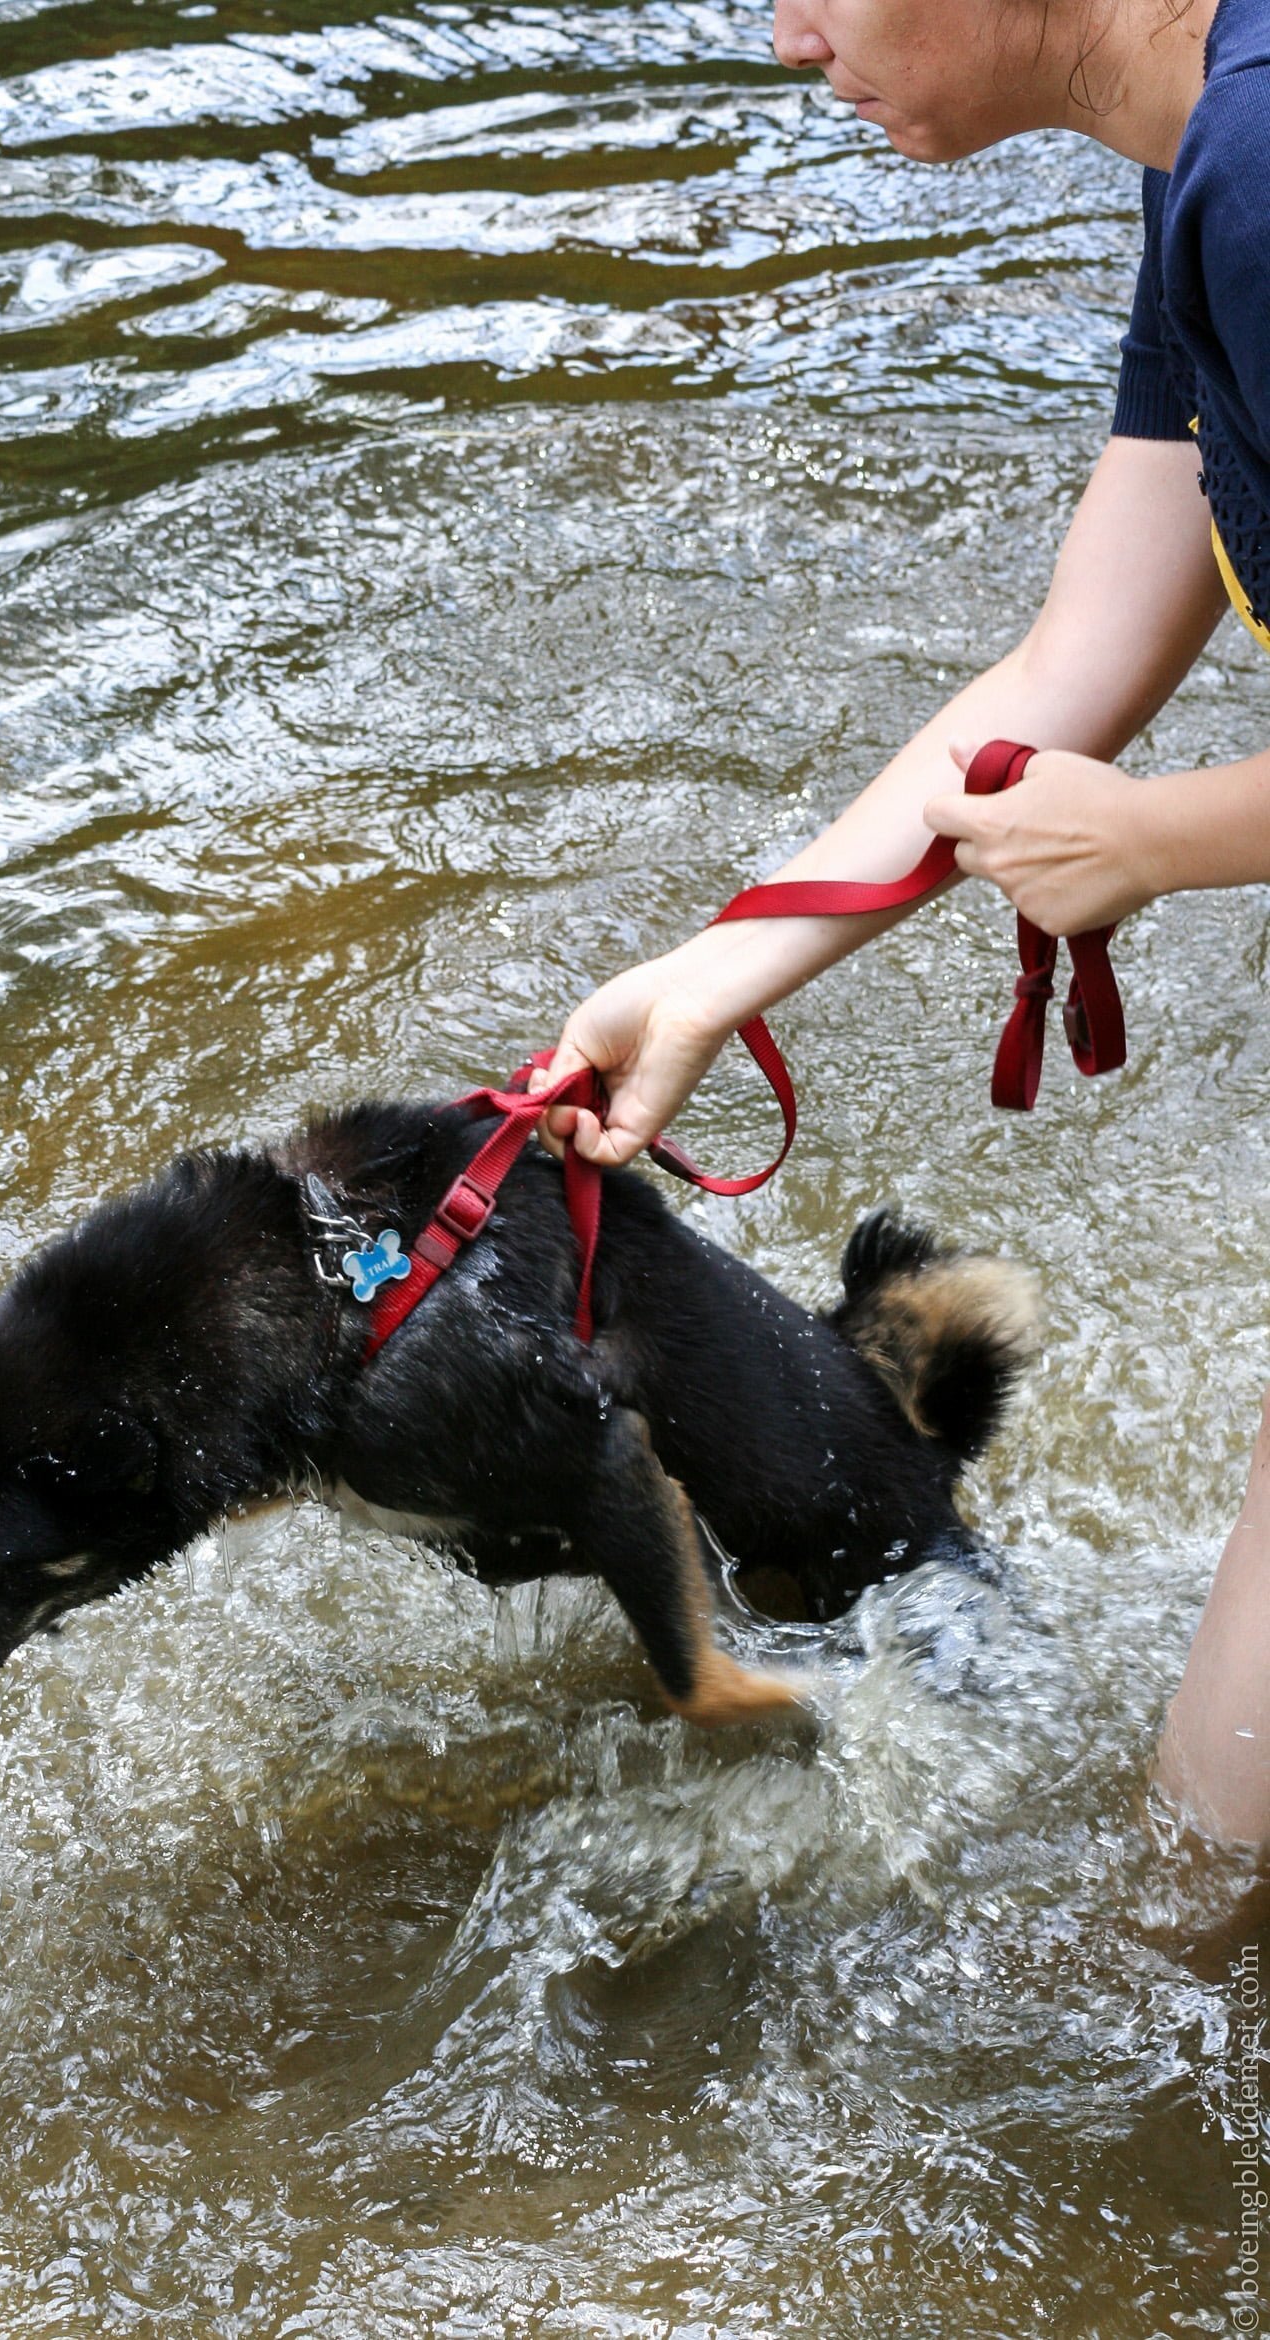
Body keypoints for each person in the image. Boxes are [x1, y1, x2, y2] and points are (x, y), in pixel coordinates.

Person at [532, 0, 1270, 1847]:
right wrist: (710, 980)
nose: (789, 40)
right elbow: (1063, 664)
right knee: (1199, 1834)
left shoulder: (1260, 169)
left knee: (1190, 1869)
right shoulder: (1206, 165)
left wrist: (1162, 838)